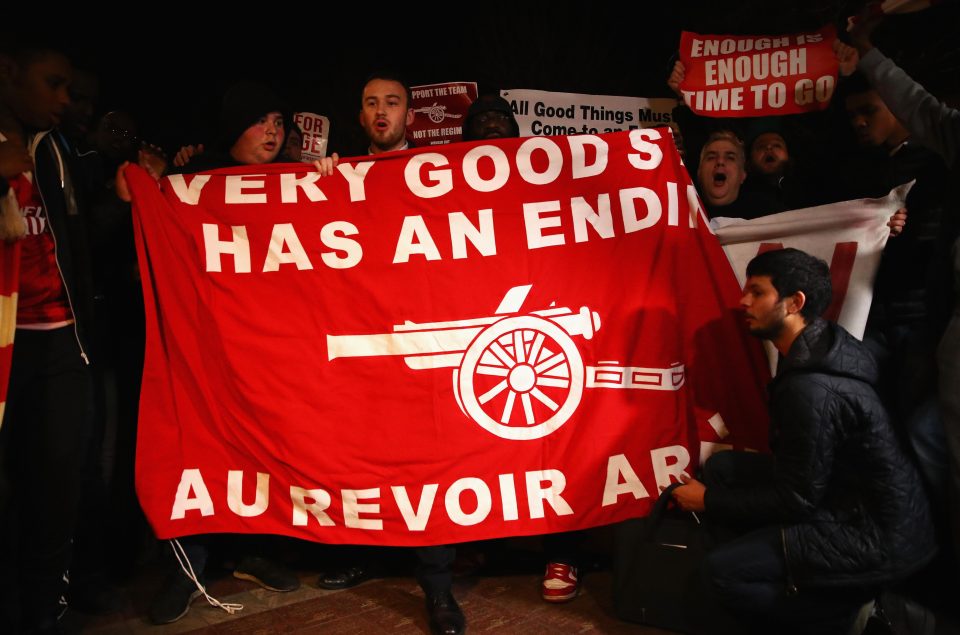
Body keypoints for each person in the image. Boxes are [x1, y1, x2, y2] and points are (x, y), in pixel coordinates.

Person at [117, 81, 339, 625]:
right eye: (260, 120)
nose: (272, 131)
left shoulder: (298, 181)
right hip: (208, 352)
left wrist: (340, 182)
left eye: (279, 121)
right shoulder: (189, 183)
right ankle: (189, 565)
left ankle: (252, 553)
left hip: (273, 353)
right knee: (200, 450)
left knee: (263, 451)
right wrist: (138, 191)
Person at [672, 248, 936, 634]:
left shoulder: (810, 387)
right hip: (853, 502)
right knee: (724, 468)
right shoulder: (821, 346)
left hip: (871, 535)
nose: (743, 301)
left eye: (757, 293)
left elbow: (797, 498)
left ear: (795, 302)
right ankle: (789, 579)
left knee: (719, 575)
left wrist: (706, 500)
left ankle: (850, 615)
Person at [316, 72, 465, 635]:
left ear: (410, 115)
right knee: (361, 451)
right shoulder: (339, 174)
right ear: (361, 117)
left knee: (429, 461)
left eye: (393, 103)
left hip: (424, 339)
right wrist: (317, 184)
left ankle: (439, 589)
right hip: (367, 338)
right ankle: (366, 554)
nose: (382, 112)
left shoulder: (439, 174)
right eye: (372, 104)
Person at [836, 6, 960, 569]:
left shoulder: (932, 160)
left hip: (922, 316)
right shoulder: (948, 135)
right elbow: (925, 108)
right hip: (944, 320)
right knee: (929, 435)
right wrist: (865, 50)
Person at [0, 46, 98, 634]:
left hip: (61, 341)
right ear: (8, 75)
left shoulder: (54, 150)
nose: (64, 98)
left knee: (57, 487)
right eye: (53, 84)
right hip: (6, 347)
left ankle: (43, 612)